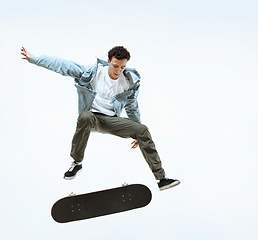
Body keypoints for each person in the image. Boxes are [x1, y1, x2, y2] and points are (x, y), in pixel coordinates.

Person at [21, 46, 180, 191]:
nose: (118, 71)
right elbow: (63, 65)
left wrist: (137, 132)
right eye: (115, 66)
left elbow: (132, 107)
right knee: (84, 116)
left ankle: (161, 179)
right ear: (109, 60)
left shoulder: (128, 83)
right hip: (92, 118)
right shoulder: (92, 73)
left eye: (122, 67)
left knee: (143, 130)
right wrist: (34, 59)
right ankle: (76, 163)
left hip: (111, 121)